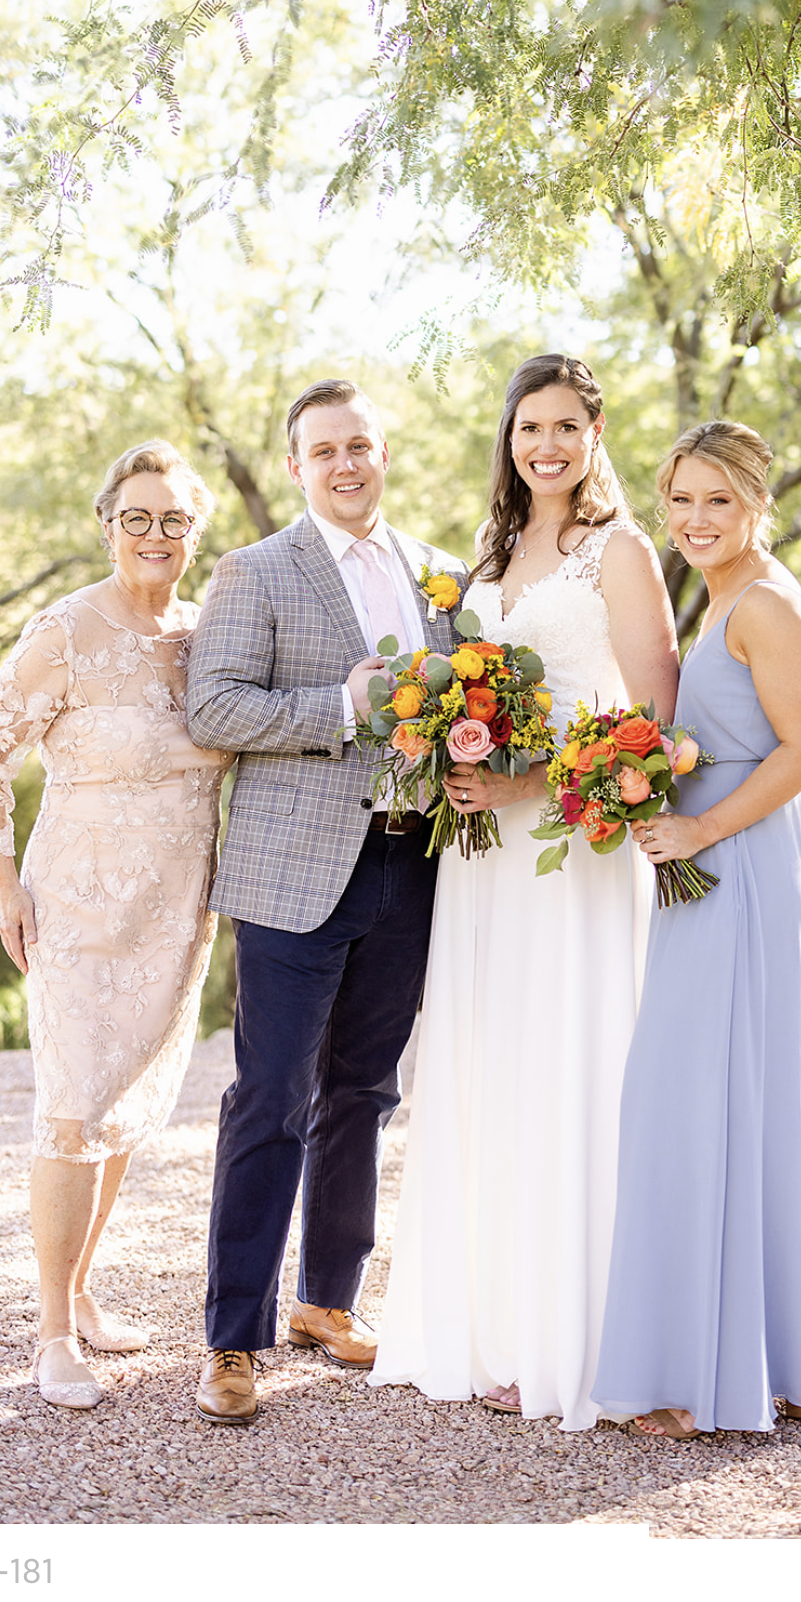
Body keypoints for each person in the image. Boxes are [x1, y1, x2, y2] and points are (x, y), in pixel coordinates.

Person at [370, 354, 679, 1430]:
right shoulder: (492, 551)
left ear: (595, 435)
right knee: (491, 1063)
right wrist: (448, 744)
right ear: (509, 440)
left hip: (570, 848)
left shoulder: (620, 553)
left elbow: (653, 723)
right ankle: (499, 1328)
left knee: (569, 1061)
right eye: (528, 428)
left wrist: (527, 779)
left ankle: (581, 1339)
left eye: (563, 427)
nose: (545, 446)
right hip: (481, 854)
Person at [184, 379, 467, 1424]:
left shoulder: (439, 575)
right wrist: (336, 707)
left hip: (409, 865)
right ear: (297, 465)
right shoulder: (255, 569)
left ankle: (326, 1301)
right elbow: (212, 708)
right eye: (324, 451)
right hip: (291, 875)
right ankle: (233, 1339)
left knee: (364, 1093)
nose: (345, 464)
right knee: (271, 1098)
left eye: (360, 445)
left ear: (383, 453)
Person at [0, 441, 229, 1410]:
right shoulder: (65, 631)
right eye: (136, 517)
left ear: (194, 532)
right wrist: (5, 886)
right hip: (75, 905)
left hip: (175, 911)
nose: (155, 534)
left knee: (122, 1105)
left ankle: (81, 1289)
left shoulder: (205, 636)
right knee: (72, 1106)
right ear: (107, 526)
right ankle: (53, 1332)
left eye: (173, 519)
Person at [593, 419, 801, 1438]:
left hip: (741, 873)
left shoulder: (767, 603)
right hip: (720, 873)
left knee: (698, 1106)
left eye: (719, 501)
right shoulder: (723, 593)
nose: (696, 519)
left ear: (756, 503)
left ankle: (704, 1383)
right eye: (682, 500)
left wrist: (699, 824)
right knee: (732, 1105)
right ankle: (778, 1367)